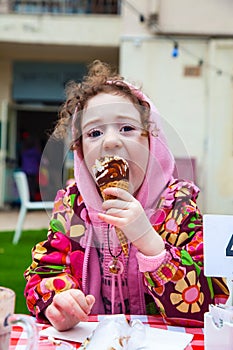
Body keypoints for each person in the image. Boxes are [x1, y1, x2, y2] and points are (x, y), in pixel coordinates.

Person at [24, 60, 229, 331]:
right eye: (94, 133)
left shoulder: (178, 208)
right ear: (82, 154)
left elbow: (204, 306)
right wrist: (58, 299)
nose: (110, 141)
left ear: (151, 143)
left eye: (127, 128)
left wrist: (148, 239)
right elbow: (42, 274)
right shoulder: (73, 209)